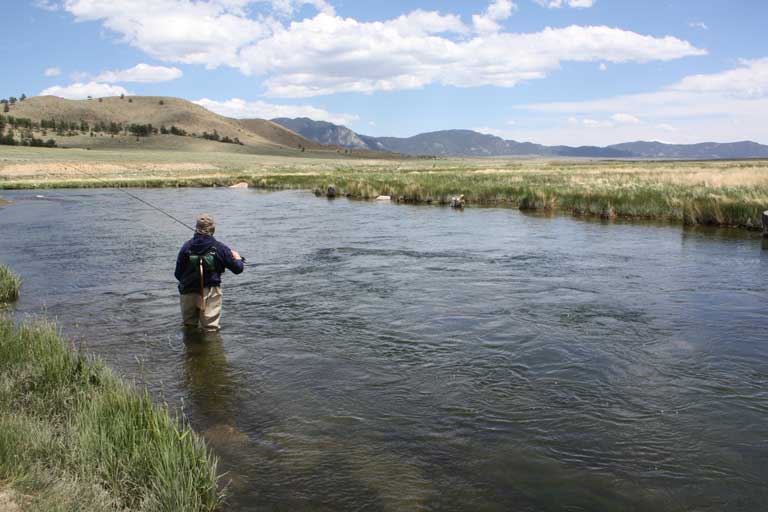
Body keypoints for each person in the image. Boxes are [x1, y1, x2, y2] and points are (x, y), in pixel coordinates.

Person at [175, 214, 244, 331]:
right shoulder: (220, 247)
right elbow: (238, 269)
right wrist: (237, 258)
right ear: (213, 229)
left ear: (196, 228)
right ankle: (209, 349)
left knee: (189, 328)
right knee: (210, 330)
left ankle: (191, 348)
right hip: (210, 293)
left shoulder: (186, 246)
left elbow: (178, 274)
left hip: (187, 291)